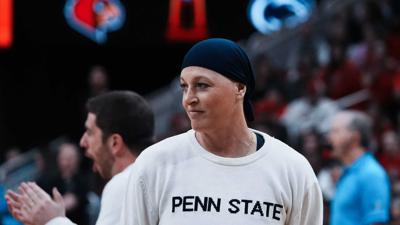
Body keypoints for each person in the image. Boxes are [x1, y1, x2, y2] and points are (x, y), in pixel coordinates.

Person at [120, 38, 323, 225]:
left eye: (201, 85)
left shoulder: (293, 170)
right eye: (184, 87)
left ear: (240, 88)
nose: (188, 99)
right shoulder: (155, 163)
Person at [5, 90, 155, 225]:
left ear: (114, 142)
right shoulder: (155, 176)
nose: (83, 141)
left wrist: (52, 220)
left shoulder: (124, 184)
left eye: (90, 132)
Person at [328, 110, 391, 225]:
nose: (329, 138)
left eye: (335, 131)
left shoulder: (371, 174)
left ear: (355, 138)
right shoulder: (347, 174)